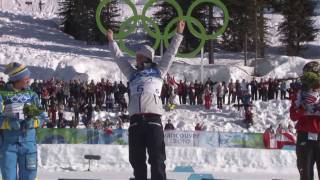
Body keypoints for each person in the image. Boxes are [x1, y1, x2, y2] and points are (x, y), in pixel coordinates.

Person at [107, 21, 185, 180]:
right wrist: (111, 41)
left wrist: (178, 34)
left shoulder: (159, 71)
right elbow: (119, 59)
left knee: (157, 159)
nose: (136, 60)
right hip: (135, 121)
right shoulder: (132, 74)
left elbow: (170, 53)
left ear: (147, 58)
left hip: (153, 120)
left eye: (138, 57)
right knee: (136, 160)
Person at [0, 62, 47, 180]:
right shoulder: (2, 95)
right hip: (8, 144)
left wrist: (34, 122)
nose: (28, 80)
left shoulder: (32, 95)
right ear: (17, 79)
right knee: (8, 177)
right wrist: (8, 123)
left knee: (30, 176)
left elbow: (42, 117)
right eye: (26, 77)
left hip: (28, 143)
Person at [290, 61, 320, 180]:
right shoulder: (300, 92)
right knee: (305, 174)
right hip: (304, 136)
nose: (307, 77)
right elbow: (293, 116)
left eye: (310, 74)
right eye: (305, 74)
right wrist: (303, 107)